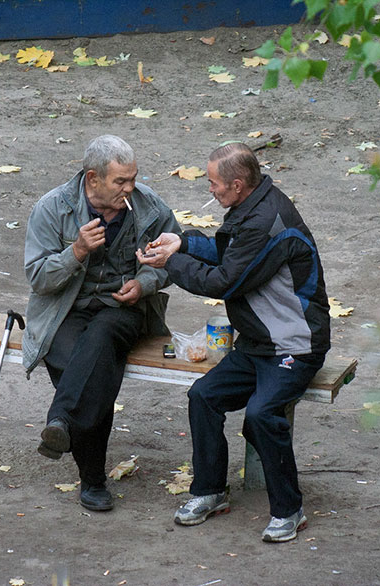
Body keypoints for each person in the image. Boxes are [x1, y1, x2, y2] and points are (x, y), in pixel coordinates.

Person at [137, 142, 331, 542]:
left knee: (261, 414)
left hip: (294, 346)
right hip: (258, 344)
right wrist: (183, 243)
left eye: (214, 183)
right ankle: (209, 491)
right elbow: (229, 252)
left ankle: (289, 510)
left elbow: (224, 280)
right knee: (203, 396)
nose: (210, 190)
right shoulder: (253, 206)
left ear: (238, 184)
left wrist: (171, 263)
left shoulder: (266, 223)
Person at [22, 135, 179, 512]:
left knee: (103, 338)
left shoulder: (150, 209)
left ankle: (62, 421)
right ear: (93, 179)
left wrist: (143, 283)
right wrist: (75, 252)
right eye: (120, 182)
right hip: (65, 310)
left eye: (133, 178)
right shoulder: (53, 208)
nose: (130, 188)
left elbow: (172, 261)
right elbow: (38, 278)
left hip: (122, 310)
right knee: (95, 369)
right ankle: (91, 479)